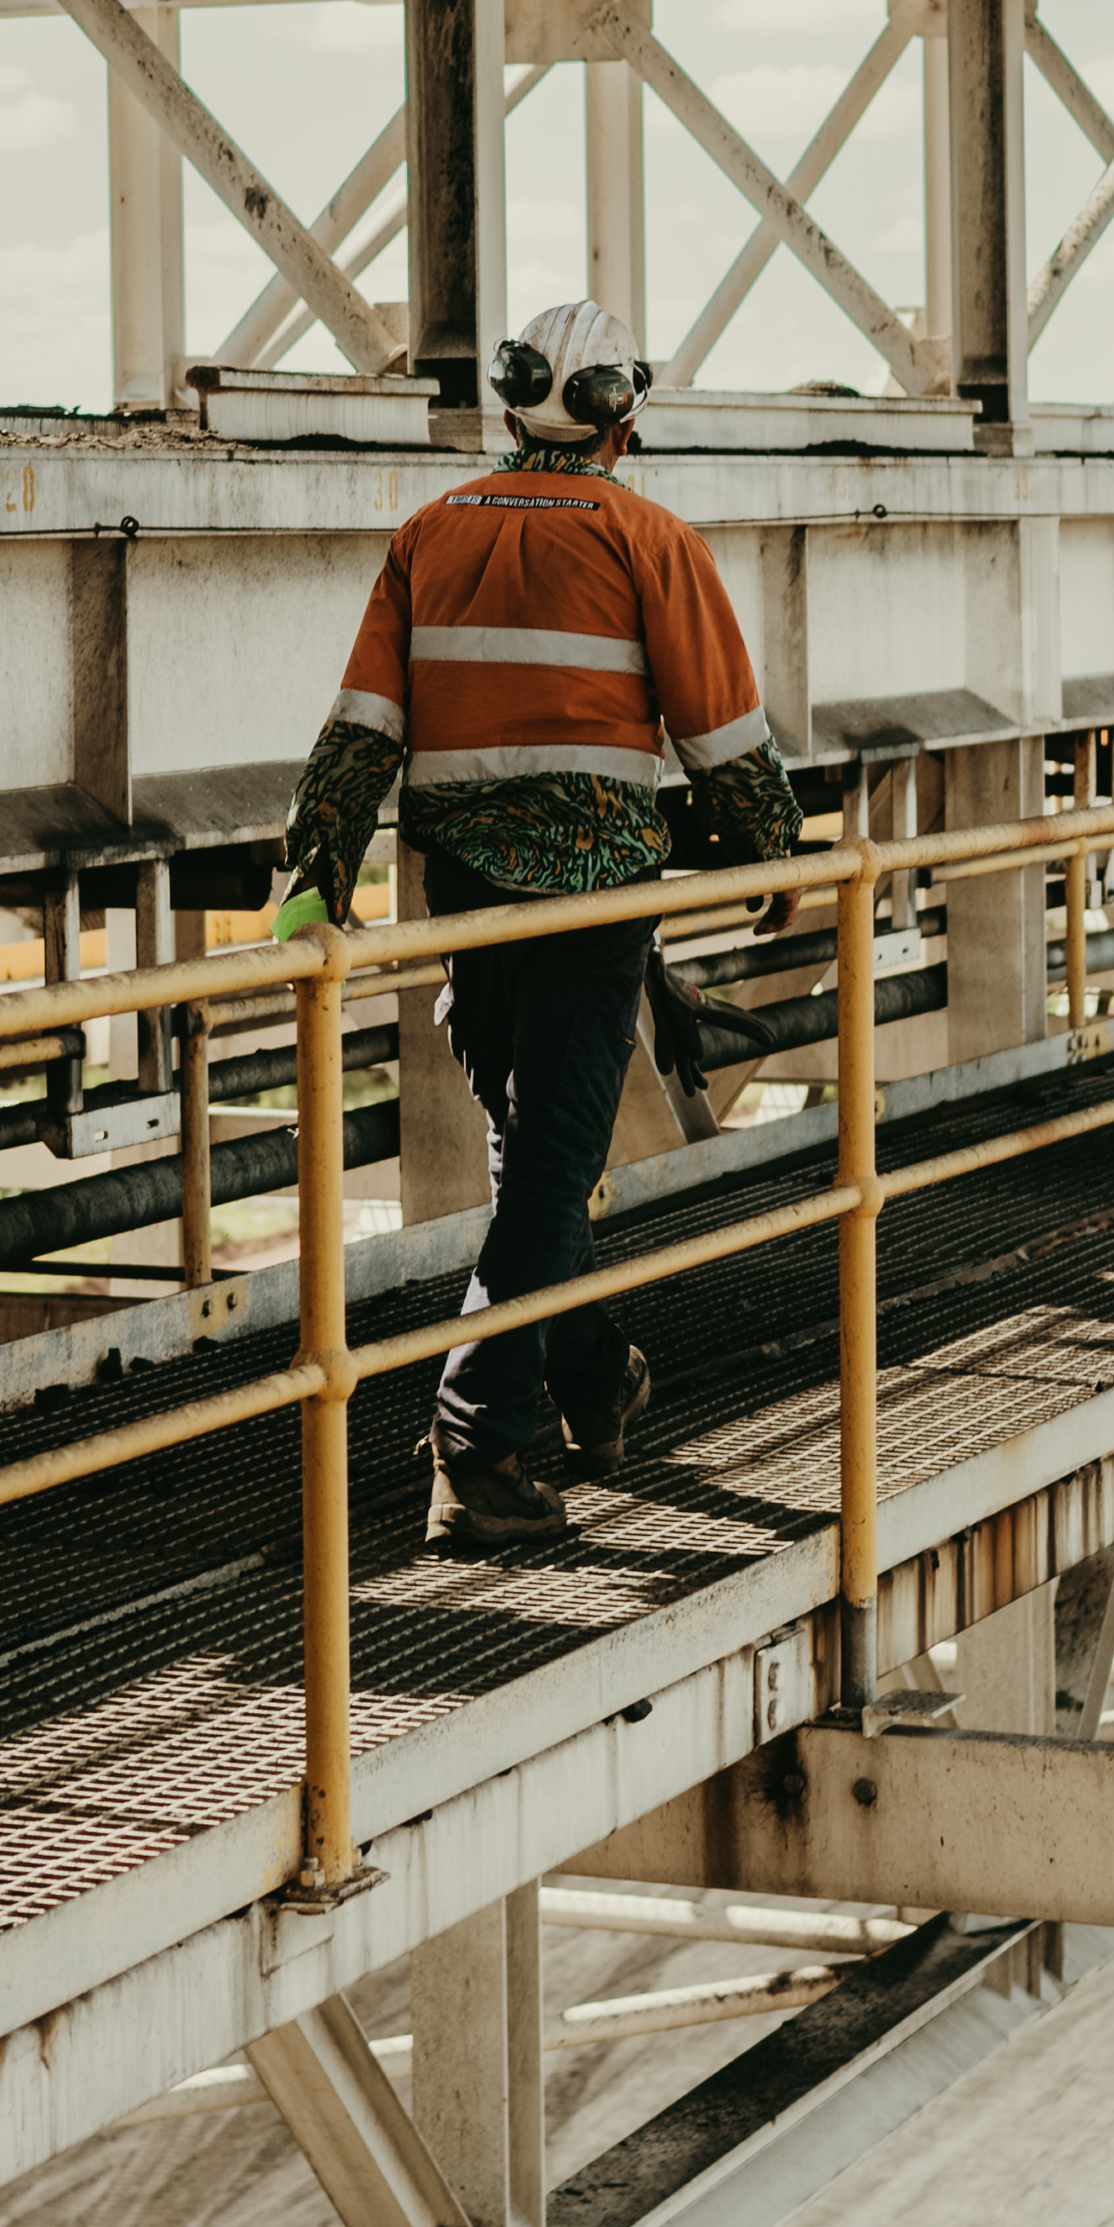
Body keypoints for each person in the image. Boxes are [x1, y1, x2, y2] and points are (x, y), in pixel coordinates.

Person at [265, 298, 806, 1549]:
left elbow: (361, 729)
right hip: (592, 895)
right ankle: (478, 1444)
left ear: (512, 407)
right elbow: (723, 736)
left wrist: (316, 866)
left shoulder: (429, 534)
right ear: (624, 416)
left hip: (462, 892)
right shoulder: (649, 537)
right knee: (555, 1160)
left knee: (532, 1154)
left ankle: (593, 1375)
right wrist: (776, 853)